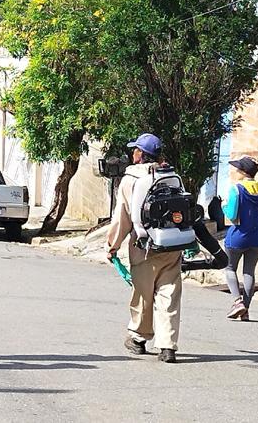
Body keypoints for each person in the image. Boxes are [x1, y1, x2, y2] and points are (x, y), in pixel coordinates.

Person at [105, 133, 193, 364]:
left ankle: (138, 337)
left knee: (143, 294)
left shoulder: (130, 180)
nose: (132, 153)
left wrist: (112, 246)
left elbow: (122, 218)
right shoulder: (172, 176)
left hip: (143, 245)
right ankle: (168, 346)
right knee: (169, 294)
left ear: (140, 154)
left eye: (135, 150)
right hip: (172, 244)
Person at [221, 156, 258, 321]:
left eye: (238, 168)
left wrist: (223, 205)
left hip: (238, 237)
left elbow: (231, 214)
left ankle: (237, 302)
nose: (236, 171)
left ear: (243, 172)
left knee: (229, 268)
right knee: (249, 271)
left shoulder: (236, 189)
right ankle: (246, 309)